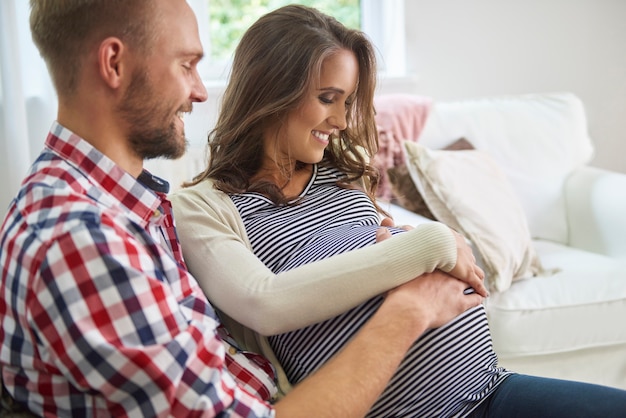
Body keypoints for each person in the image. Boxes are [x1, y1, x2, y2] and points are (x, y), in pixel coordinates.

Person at [0, 1, 488, 417]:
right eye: (186, 64)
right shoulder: (79, 238)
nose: (199, 91)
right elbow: (264, 308)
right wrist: (411, 307)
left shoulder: (126, 209)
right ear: (114, 63)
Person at [171, 4, 626, 418]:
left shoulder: (343, 172)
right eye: (328, 98)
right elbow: (265, 302)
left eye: (347, 102)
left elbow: (381, 256)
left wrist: (404, 246)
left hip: (489, 390)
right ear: (270, 90)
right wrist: (432, 243)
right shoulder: (204, 205)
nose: (343, 121)